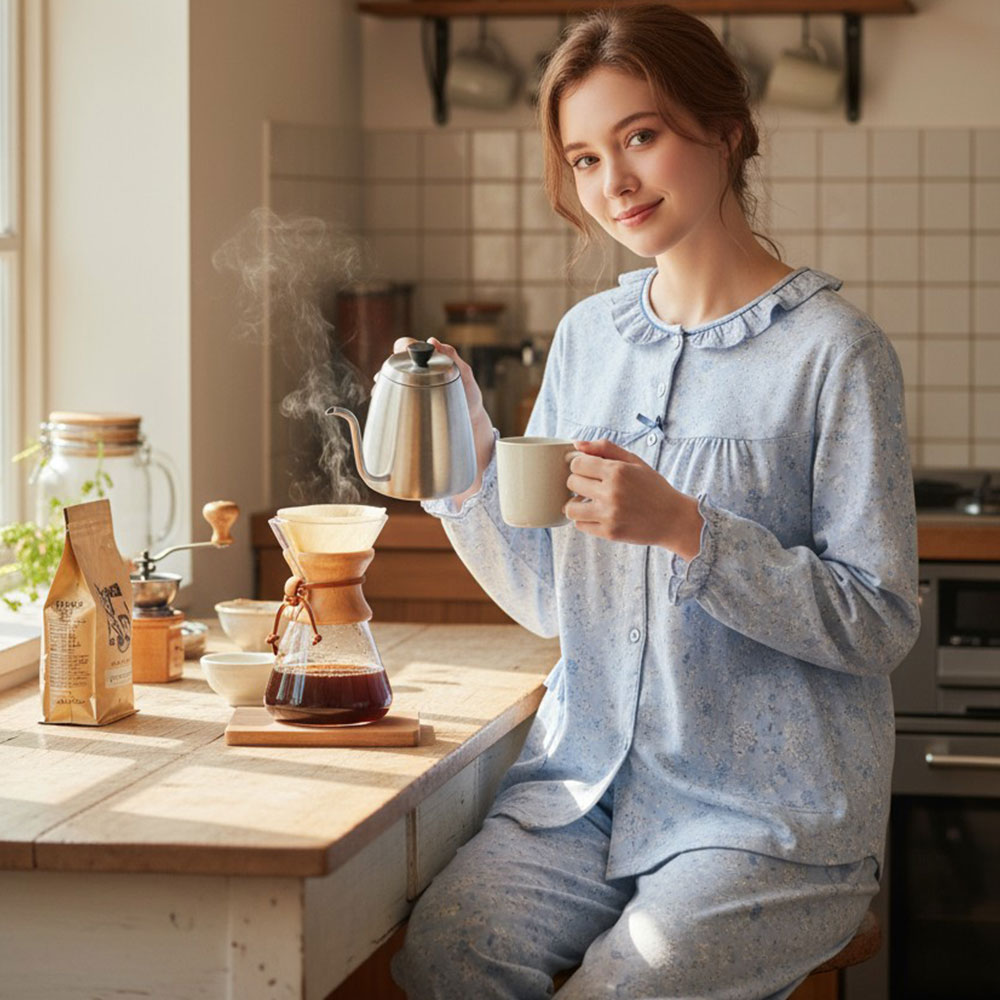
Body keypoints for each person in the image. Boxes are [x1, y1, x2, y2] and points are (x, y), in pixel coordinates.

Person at [391, 6, 920, 999]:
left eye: (639, 136)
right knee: (447, 951)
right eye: (584, 157)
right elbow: (556, 601)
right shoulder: (587, 339)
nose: (613, 184)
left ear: (724, 128)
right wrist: (466, 478)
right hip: (581, 796)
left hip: (768, 821)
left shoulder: (835, 354)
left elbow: (880, 620)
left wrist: (688, 531)